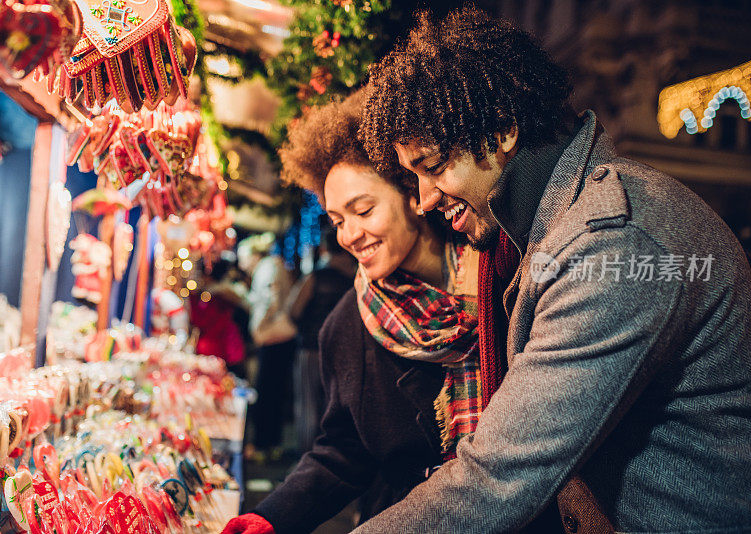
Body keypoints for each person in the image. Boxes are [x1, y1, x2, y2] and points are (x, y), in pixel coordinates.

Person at [352, 7, 751, 533]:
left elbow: (495, 479)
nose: (424, 200)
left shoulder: (612, 244)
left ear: (503, 129)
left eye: (432, 166)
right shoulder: (557, 228)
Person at [223, 91, 559, 534]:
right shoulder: (348, 326)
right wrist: (271, 517)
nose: (350, 235)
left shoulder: (503, 273)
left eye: (363, 210)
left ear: (412, 194)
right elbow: (342, 452)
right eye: (338, 220)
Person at [286, 225, 356, 453]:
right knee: (333, 407)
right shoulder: (355, 280)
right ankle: (329, 458)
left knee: (308, 406)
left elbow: (293, 310)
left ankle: (307, 458)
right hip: (344, 352)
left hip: (311, 349)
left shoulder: (315, 277)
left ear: (325, 247)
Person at [238, 233, 298, 458]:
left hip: (273, 338)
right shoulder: (273, 266)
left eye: (243, 257)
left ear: (254, 255)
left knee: (266, 392)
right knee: (273, 392)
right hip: (278, 338)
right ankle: (271, 444)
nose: (241, 263)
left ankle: (262, 446)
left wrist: (258, 328)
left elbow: (269, 302)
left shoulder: (267, 268)